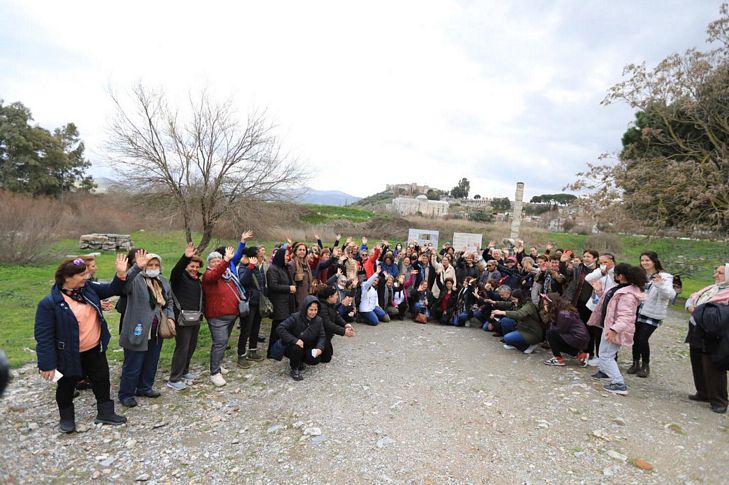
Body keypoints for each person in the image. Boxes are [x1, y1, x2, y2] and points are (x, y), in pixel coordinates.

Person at [35, 255, 129, 432]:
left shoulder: (88, 289)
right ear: (67, 278)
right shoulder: (49, 304)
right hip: (68, 354)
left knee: (101, 380)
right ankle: (67, 419)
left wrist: (120, 274)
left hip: (94, 349)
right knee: (66, 385)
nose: (87, 277)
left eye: (87, 273)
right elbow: (44, 337)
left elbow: (112, 289)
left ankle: (106, 413)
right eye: (82, 274)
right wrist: (46, 364)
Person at [118, 250, 173, 407]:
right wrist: (136, 267)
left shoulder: (162, 280)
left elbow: (169, 301)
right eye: (150, 264)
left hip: (156, 329)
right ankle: (126, 394)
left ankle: (144, 387)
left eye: (156, 264)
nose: (153, 267)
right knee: (133, 364)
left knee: (151, 361)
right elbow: (124, 286)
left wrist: (170, 317)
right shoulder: (136, 279)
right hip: (138, 328)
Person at [588, 263, 646, 395]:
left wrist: (614, 329)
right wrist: (598, 291)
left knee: (606, 355)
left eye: (615, 274)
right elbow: (610, 303)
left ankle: (619, 383)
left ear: (620, 276)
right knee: (607, 353)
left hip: (614, 329)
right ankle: (605, 371)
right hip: (609, 326)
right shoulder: (620, 288)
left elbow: (625, 316)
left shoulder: (628, 295)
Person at [684, 263, 729, 413]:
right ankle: (703, 393)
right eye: (716, 272)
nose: (716, 275)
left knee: (713, 366)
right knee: (697, 361)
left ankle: (719, 401)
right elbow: (693, 297)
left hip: (714, 334)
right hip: (697, 329)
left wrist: (698, 310)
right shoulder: (712, 288)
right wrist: (691, 306)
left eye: (720, 273)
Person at [630, 251, 675, 378]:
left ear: (654, 261)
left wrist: (660, 284)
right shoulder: (641, 274)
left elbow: (670, 295)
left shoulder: (665, 276)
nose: (644, 263)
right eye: (642, 260)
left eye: (647, 260)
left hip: (652, 313)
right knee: (635, 338)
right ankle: (635, 363)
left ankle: (645, 365)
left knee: (642, 339)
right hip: (637, 311)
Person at [167, 242, 204, 391]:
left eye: (196, 267)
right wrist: (185, 257)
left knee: (191, 346)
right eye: (191, 266)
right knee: (182, 347)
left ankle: (185, 371)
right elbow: (176, 271)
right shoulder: (179, 277)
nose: (194, 269)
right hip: (182, 319)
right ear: (186, 266)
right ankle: (174, 378)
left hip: (195, 318)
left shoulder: (197, 280)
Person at [202, 247, 239, 387]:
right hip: (217, 316)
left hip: (231, 314)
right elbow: (216, 273)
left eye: (219, 260)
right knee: (220, 343)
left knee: (223, 343)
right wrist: (225, 260)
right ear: (208, 264)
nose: (217, 263)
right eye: (213, 261)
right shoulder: (208, 275)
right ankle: (214, 372)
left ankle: (218, 364)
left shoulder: (227, 275)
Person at [276, 295, 327, 381]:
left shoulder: (318, 320)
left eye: (315, 310)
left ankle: (300, 360)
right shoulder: (295, 317)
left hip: (308, 346)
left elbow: (322, 336)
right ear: (305, 308)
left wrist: (319, 348)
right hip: (293, 346)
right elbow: (280, 328)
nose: (313, 312)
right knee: (297, 348)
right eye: (311, 309)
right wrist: (295, 340)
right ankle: (294, 368)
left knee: (314, 360)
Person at [583, 253, 617, 366]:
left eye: (605, 262)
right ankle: (593, 353)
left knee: (603, 333)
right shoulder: (600, 271)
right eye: (601, 263)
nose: (603, 265)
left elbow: (617, 282)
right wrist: (602, 272)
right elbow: (588, 278)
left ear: (612, 261)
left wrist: (610, 271)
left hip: (609, 305)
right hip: (594, 304)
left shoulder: (616, 272)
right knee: (593, 330)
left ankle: (604, 357)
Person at [542, 293, 590, 366]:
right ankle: (581, 355)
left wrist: (548, 315)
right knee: (554, 339)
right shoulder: (562, 310)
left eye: (547, 305)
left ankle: (558, 359)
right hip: (579, 337)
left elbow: (558, 330)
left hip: (578, 337)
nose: (545, 307)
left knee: (550, 334)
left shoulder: (563, 314)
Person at [267, 246, 297, 357]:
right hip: (279, 303)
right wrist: (289, 288)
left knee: (284, 327)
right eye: (286, 255)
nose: (287, 257)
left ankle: (282, 349)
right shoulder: (273, 269)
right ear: (280, 256)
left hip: (288, 301)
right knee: (278, 327)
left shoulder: (285, 267)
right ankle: (273, 351)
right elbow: (273, 286)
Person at [491, 289, 544, 354]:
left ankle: (528, 346)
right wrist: (495, 302)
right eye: (512, 299)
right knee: (505, 321)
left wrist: (503, 312)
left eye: (514, 299)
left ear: (521, 298)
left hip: (532, 333)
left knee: (507, 338)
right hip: (523, 328)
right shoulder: (519, 303)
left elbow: (519, 314)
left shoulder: (529, 305)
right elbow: (506, 304)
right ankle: (514, 343)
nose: (513, 301)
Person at [239, 248, 267, 367]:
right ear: (253, 257)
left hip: (258, 302)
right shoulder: (244, 267)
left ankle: (252, 351)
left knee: (256, 328)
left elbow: (262, 284)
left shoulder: (259, 267)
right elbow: (243, 281)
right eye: (260, 256)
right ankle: (241, 355)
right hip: (249, 302)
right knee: (246, 329)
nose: (262, 259)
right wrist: (250, 266)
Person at [317, 285, 355, 362]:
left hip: (326, 334)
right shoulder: (321, 307)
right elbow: (328, 324)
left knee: (328, 354)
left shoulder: (330, 304)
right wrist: (343, 332)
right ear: (329, 297)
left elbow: (336, 316)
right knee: (324, 358)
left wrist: (345, 324)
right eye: (336, 295)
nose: (337, 297)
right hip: (319, 335)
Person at [289, 242, 314, 308]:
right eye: (300, 250)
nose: (302, 251)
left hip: (307, 292)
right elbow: (290, 280)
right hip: (297, 295)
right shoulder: (292, 264)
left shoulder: (306, 264)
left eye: (304, 250)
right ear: (295, 252)